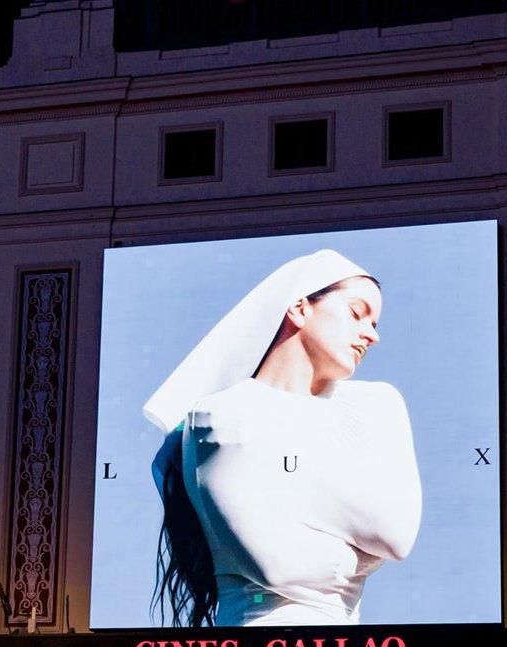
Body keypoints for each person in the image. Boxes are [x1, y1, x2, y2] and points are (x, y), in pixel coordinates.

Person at [144, 249, 422, 627]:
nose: (372, 335)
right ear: (299, 308)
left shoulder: (375, 404)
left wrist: (288, 493)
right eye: (357, 313)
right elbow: (277, 567)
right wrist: (360, 553)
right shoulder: (219, 415)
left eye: (374, 323)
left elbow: (395, 535)